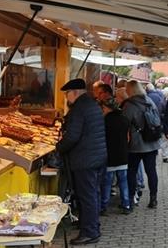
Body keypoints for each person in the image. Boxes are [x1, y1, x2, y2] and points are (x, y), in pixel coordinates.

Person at [56, 79, 107, 245]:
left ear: (75, 93)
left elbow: (72, 136)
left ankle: (90, 232)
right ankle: (90, 224)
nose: (66, 98)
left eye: (66, 94)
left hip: (85, 159)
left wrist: (59, 147)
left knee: (87, 196)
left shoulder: (79, 108)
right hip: (97, 157)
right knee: (93, 194)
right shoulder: (92, 104)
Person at [122, 80, 161, 209]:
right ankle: (154, 198)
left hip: (135, 144)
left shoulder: (129, 105)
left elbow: (124, 123)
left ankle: (132, 198)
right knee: (151, 171)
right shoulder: (149, 101)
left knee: (131, 172)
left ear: (130, 90)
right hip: (151, 142)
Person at [96, 84, 132, 215]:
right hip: (123, 155)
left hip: (110, 156)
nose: (102, 110)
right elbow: (128, 137)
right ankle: (126, 204)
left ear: (108, 108)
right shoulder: (124, 119)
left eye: (104, 108)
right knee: (123, 182)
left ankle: (103, 206)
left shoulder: (104, 121)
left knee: (107, 183)